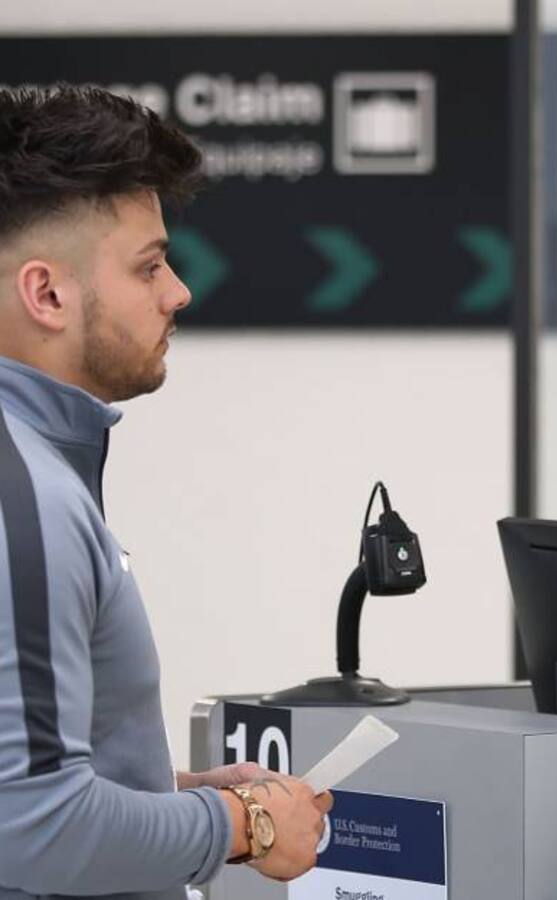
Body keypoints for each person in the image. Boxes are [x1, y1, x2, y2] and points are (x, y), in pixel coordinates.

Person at [0, 85, 330, 897]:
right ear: (47, 294)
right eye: (148, 265)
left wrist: (175, 795)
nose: (178, 291)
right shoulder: (22, 492)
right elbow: (30, 824)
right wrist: (245, 828)